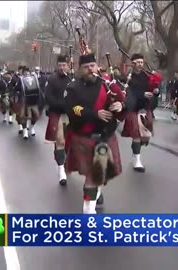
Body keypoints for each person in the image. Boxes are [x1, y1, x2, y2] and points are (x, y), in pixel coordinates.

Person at [64, 52, 128, 214]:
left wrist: (120, 106)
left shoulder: (107, 84)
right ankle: (88, 211)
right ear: (80, 69)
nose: (90, 70)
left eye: (92, 66)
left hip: (106, 136)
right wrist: (94, 113)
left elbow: (125, 99)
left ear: (97, 66)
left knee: (100, 173)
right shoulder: (73, 87)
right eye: (86, 67)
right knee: (92, 177)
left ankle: (95, 196)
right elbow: (72, 109)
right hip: (84, 137)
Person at [121, 53, 162, 172]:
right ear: (133, 63)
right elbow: (127, 92)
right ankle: (137, 160)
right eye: (137, 62)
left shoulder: (147, 76)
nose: (140, 64)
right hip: (134, 108)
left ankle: (136, 151)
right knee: (136, 135)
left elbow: (153, 90)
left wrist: (156, 91)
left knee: (145, 136)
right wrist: (142, 94)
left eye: (141, 62)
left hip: (145, 107)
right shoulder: (128, 77)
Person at [45, 54, 73, 185]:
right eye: (60, 65)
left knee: (70, 142)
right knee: (60, 141)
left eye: (64, 65)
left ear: (68, 66)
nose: (62, 67)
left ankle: (65, 162)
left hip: (72, 115)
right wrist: (62, 105)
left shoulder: (73, 79)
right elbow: (48, 97)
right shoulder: (52, 79)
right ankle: (61, 170)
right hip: (57, 113)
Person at [19, 67, 44, 140]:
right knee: (23, 116)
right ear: (23, 73)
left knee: (36, 116)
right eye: (25, 72)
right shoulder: (20, 80)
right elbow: (16, 88)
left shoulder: (34, 79)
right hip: (24, 100)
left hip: (33, 100)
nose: (26, 73)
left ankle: (31, 127)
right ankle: (25, 131)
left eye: (27, 72)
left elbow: (38, 88)